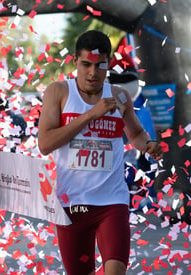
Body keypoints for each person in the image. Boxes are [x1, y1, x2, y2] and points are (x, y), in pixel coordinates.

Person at [38, 30, 162, 275]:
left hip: (111, 202)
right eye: (86, 64)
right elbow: (46, 143)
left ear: (108, 65)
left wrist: (148, 145)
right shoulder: (59, 92)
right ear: (76, 62)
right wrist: (90, 115)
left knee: (116, 270)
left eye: (100, 65)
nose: (92, 73)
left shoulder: (119, 97)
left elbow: (136, 134)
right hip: (72, 204)